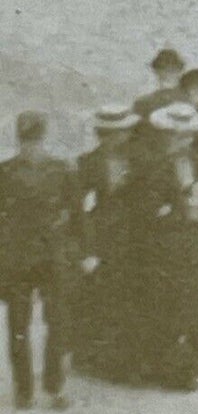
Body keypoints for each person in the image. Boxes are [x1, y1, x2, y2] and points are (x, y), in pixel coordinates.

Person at [0, 112, 82, 410]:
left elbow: (77, 215)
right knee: (18, 323)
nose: (29, 147)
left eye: (33, 141)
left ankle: (55, 386)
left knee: (58, 322)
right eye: (25, 141)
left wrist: (81, 251)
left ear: (42, 139)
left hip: (52, 256)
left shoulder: (62, 170)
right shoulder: (4, 172)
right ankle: (24, 390)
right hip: (17, 258)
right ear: (18, 140)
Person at [130, 102, 198, 389]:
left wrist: (194, 210)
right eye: (177, 135)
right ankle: (172, 370)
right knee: (168, 306)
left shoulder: (194, 161)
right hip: (164, 244)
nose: (183, 140)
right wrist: (185, 212)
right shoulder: (155, 165)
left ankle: (191, 365)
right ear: (165, 136)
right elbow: (149, 210)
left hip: (191, 242)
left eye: (188, 135)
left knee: (192, 303)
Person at [74, 104, 141, 380]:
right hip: (103, 234)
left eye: (122, 132)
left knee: (129, 295)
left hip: (134, 234)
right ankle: (94, 357)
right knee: (101, 295)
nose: (117, 138)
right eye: (111, 133)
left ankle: (123, 359)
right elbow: (78, 204)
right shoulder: (88, 162)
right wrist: (87, 244)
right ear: (102, 134)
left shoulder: (137, 160)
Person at [134, 48, 187, 122]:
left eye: (170, 70)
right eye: (165, 70)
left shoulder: (143, 103)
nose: (167, 73)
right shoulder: (143, 102)